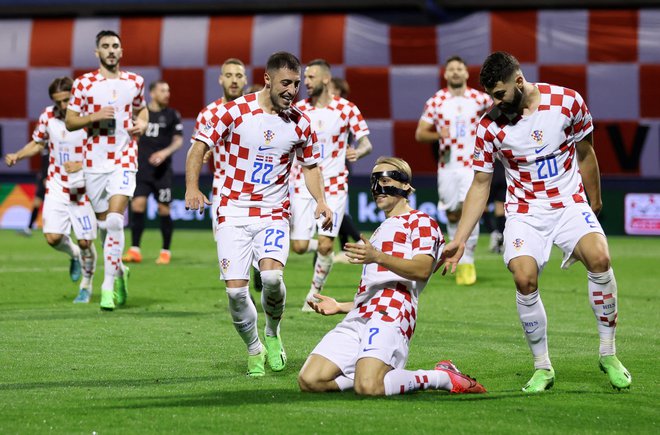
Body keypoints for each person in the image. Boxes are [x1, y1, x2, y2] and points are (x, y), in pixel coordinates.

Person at [441, 51, 631, 392]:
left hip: (569, 203)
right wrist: (459, 237)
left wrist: (596, 200)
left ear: (518, 81)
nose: (496, 102)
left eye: (499, 94)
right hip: (525, 211)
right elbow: (481, 184)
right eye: (491, 96)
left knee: (600, 258)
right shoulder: (489, 127)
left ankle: (608, 353)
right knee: (524, 278)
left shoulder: (567, 101)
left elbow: (586, 152)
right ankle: (542, 367)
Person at [185, 51, 332, 377]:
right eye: (286, 83)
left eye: (296, 84)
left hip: (273, 211)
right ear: (267, 79)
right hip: (231, 211)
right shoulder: (233, 112)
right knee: (237, 292)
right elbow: (197, 148)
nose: (293, 90)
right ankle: (254, 347)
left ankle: (272, 332)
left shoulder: (301, 123)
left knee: (271, 278)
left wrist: (320, 200)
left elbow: (310, 167)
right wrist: (192, 188)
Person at [298, 156, 486, 396]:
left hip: (394, 313)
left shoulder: (421, 222)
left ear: (405, 185)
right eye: (374, 182)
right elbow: (377, 289)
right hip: (361, 313)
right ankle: (371, 374)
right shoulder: (380, 230)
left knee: (369, 387)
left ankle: (444, 377)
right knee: (310, 380)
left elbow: (422, 269)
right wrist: (341, 306)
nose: (377, 189)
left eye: (385, 180)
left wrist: (378, 256)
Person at [65, 30, 148, 311]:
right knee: (104, 226)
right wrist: (93, 117)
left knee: (114, 220)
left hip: (124, 158)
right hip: (94, 162)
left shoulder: (135, 82)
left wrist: (143, 124)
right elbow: (70, 121)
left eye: (115, 46)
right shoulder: (84, 83)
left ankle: (107, 286)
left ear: (121, 51)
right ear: (97, 52)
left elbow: (142, 109)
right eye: (105, 46)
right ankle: (120, 271)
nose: (111, 50)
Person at [5, 77, 98, 303]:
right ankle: (73, 254)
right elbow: (38, 143)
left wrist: (82, 164)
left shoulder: (89, 116)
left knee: (86, 241)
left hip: (84, 186)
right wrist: (18, 154)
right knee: (53, 238)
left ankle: (86, 286)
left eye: (68, 100)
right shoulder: (48, 116)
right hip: (57, 183)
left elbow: (104, 150)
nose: (64, 106)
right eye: (59, 102)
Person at [291, 59, 372, 311]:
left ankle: (314, 294)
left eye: (311, 77)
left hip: (335, 184)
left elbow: (366, 142)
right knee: (300, 246)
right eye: (305, 78)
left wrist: (358, 152)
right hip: (302, 182)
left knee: (326, 244)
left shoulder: (346, 109)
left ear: (326, 79)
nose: (306, 82)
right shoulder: (298, 110)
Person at [415, 56, 491, 286]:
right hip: (448, 166)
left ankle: (467, 260)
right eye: (451, 69)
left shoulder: (481, 99)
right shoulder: (437, 101)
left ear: (467, 74)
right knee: (452, 213)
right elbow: (420, 134)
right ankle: (456, 253)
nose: (456, 72)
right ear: (446, 74)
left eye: (460, 69)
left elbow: (499, 120)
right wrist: (439, 135)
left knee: (470, 210)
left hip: (473, 163)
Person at [123, 80, 183, 265]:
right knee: (137, 206)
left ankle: (165, 251)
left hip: (162, 172)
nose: (167, 93)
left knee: (163, 209)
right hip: (141, 169)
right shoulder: (142, 114)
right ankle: (135, 250)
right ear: (152, 93)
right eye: (163, 90)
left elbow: (178, 140)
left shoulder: (172, 115)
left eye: (168, 90)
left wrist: (164, 153)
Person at [327, 77, 363, 264]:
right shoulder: (326, 111)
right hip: (326, 166)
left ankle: (359, 241)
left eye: (332, 89)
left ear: (339, 91)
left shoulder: (344, 110)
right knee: (335, 208)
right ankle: (344, 249)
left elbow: (357, 138)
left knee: (337, 209)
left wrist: (354, 150)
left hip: (338, 165)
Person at [15, 148, 48, 237]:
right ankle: (29, 227)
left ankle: (63, 229)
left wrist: (47, 177)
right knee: (37, 203)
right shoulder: (44, 147)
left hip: (49, 180)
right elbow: (44, 165)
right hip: (43, 180)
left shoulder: (53, 146)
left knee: (51, 205)